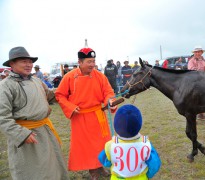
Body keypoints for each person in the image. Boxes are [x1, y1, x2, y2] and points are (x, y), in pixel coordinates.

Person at [0, 46, 69, 179]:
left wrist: (70, 91)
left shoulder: (36, 80)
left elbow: (50, 96)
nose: (29, 65)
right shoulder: (5, 86)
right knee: (34, 173)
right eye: (24, 61)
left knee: (53, 168)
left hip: (45, 131)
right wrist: (21, 134)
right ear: (12, 64)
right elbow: (2, 117)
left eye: (30, 62)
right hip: (27, 136)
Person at [55, 44, 117, 179]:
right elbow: (60, 95)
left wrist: (110, 100)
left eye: (93, 61)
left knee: (102, 143)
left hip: (98, 114)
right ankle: (92, 170)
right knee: (86, 146)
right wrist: (70, 107)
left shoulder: (100, 76)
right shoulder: (69, 77)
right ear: (80, 62)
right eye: (89, 62)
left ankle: (100, 166)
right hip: (80, 116)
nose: (92, 65)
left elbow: (108, 91)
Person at [98, 104, 161, 179]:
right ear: (139, 124)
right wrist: (147, 175)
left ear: (115, 126)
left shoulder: (110, 145)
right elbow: (155, 163)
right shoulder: (146, 143)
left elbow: (104, 160)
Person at [188, 46, 205, 120]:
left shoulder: (204, 60)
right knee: (195, 99)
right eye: (196, 52)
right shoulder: (191, 61)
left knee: (203, 98)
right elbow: (191, 69)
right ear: (194, 53)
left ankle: (201, 114)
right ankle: (194, 116)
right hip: (195, 81)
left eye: (199, 52)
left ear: (201, 52)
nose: (197, 53)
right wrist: (201, 68)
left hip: (204, 80)